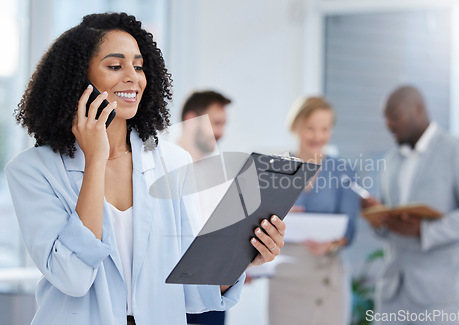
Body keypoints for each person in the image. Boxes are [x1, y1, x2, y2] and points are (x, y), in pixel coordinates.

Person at [4, 13, 285, 325]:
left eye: (138, 66)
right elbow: (73, 277)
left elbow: (191, 292)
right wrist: (96, 160)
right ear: (78, 80)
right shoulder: (32, 170)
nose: (133, 77)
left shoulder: (171, 162)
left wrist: (244, 257)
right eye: (115, 66)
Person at [362, 86, 459, 325]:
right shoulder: (390, 160)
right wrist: (377, 216)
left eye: (394, 116)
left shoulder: (458, 150)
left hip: (444, 293)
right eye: (385, 118)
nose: (388, 124)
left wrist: (426, 230)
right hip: (393, 291)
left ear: (419, 110)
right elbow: (392, 227)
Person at [268, 96, 360, 325]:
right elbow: (257, 221)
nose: (318, 136)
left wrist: (330, 245)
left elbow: (350, 230)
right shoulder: (276, 169)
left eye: (325, 129)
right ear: (296, 126)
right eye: (310, 128)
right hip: (285, 276)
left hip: (326, 276)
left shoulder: (343, 170)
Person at [179, 90, 231, 325]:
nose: (220, 133)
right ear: (191, 120)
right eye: (216, 123)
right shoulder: (158, 167)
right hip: (175, 297)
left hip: (213, 294)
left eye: (223, 124)